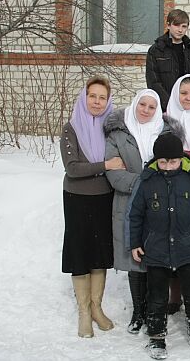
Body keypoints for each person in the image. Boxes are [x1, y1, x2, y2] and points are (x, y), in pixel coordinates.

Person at [129, 134, 190, 359]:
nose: (169, 167)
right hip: (156, 249)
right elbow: (136, 214)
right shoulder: (147, 180)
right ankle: (157, 337)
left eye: (174, 161)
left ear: (181, 159)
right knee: (157, 297)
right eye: (163, 162)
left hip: (188, 248)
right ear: (156, 160)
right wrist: (135, 243)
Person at [104, 88, 182, 334]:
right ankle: (139, 312)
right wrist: (146, 182)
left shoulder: (166, 132)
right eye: (142, 105)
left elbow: (173, 168)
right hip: (128, 204)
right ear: (135, 104)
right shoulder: (118, 134)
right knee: (134, 260)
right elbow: (115, 174)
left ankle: (153, 311)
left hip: (160, 205)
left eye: (151, 106)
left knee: (155, 258)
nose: (146, 110)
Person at [61, 76, 122, 338]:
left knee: (99, 253)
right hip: (77, 197)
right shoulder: (72, 128)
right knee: (80, 253)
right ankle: (84, 312)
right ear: (84, 97)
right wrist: (105, 166)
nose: (97, 102)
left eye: (102, 97)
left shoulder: (110, 128)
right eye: (92, 96)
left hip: (103, 197)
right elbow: (73, 168)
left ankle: (97, 307)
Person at [145, 9, 190, 111]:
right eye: (177, 25)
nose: (180, 30)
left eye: (184, 26)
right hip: (165, 109)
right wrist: (169, 105)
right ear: (168, 25)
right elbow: (153, 82)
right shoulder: (156, 50)